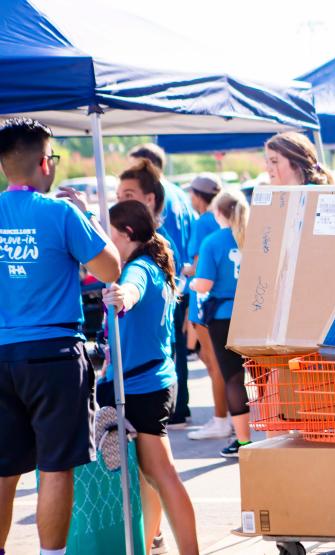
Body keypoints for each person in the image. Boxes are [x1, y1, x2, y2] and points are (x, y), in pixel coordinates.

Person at [0, 118, 121, 555]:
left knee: (3, 470)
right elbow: (110, 269)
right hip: (53, 354)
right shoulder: (61, 212)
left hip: (2, 352)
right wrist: (87, 214)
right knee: (55, 467)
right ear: (43, 163)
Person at [98, 200, 199, 555]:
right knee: (150, 478)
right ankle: (147, 547)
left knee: (162, 476)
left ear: (126, 234)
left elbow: (132, 291)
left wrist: (121, 297)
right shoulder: (152, 263)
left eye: (109, 232)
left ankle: (189, 550)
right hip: (152, 382)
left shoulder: (138, 270)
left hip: (142, 388)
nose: (106, 240)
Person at [129, 144, 196, 429]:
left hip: (160, 281)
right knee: (176, 347)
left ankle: (172, 408)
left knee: (164, 348)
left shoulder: (155, 198)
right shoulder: (181, 194)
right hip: (180, 280)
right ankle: (180, 406)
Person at [191, 190, 251, 458]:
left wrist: (191, 283)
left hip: (223, 316)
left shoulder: (212, 242)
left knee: (233, 378)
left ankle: (244, 441)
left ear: (218, 213)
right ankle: (276, 435)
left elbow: (204, 284)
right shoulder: (255, 237)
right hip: (254, 313)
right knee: (264, 377)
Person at [182, 175, 232, 441]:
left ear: (198, 195)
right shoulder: (233, 221)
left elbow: (200, 264)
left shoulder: (204, 222)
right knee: (218, 362)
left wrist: (185, 271)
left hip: (207, 301)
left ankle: (221, 419)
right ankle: (230, 417)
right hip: (227, 301)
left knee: (215, 365)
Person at [264, 132, 334, 186]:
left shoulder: (316, 194)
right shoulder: (275, 198)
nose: (268, 168)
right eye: (267, 162)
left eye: (274, 161)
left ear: (296, 162)